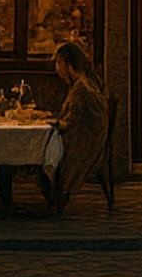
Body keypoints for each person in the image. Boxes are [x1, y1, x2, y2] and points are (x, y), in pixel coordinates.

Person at [44, 41, 109, 214]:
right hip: (86, 137)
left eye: (59, 63)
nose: (57, 69)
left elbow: (69, 122)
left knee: (44, 150)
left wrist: (48, 122)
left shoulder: (82, 88)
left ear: (68, 64)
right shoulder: (83, 83)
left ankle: (55, 196)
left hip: (85, 143)